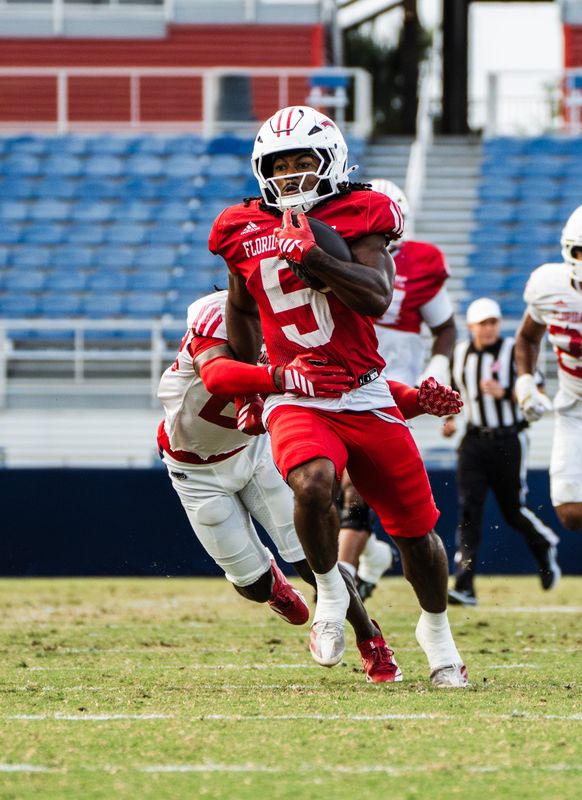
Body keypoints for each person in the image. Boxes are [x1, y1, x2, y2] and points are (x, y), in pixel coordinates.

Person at [211, 105, 468, 687]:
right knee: (313, 482)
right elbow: (243, 306)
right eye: (280, 165)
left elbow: (377, 296)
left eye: (305, 161)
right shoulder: (239, 227)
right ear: (261, 170)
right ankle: (330, 591)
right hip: (297, 391)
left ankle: (435, 629)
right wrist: (256, 376)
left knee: (415, 534)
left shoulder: (362, 212)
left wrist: (316, 258)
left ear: (331, 160)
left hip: (363, 390)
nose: (292, 175)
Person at [156, 289, 404, 683]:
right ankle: (270, 583)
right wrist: (283, 375)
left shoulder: (295, 327)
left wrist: (411, 398)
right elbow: (218, 376)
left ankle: (370, 640)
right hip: (195, 471)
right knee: (252, 586)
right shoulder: (214, 315)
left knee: (315, 558)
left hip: (255, 453)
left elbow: (346, 388)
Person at [337, 178, 457, 600]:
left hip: (390, 387)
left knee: (356, 481)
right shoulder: (336, 251)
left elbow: (445, 327)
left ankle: (344, 575)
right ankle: (369, 556)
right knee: (331, 483)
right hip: (336, 375)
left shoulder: (420, 263)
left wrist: (438, 368)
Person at [443, 297, 561, 607]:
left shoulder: (513, 351)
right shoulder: (461, 354)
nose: (489, 328)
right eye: (483, 323)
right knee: (469, 511)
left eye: (493, 322)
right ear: (471, 327)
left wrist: (506, 394)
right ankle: (464, 583)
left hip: (509, 440)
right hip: (472, 442)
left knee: (511, 510)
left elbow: (539, 392)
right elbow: (453, 392)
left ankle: (543, 543)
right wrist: (450, 419)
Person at [515, 200, 582, 533]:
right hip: (575, 405)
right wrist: (526, 380)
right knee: (573, 515)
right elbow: (527, 338)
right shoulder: (549, 285)